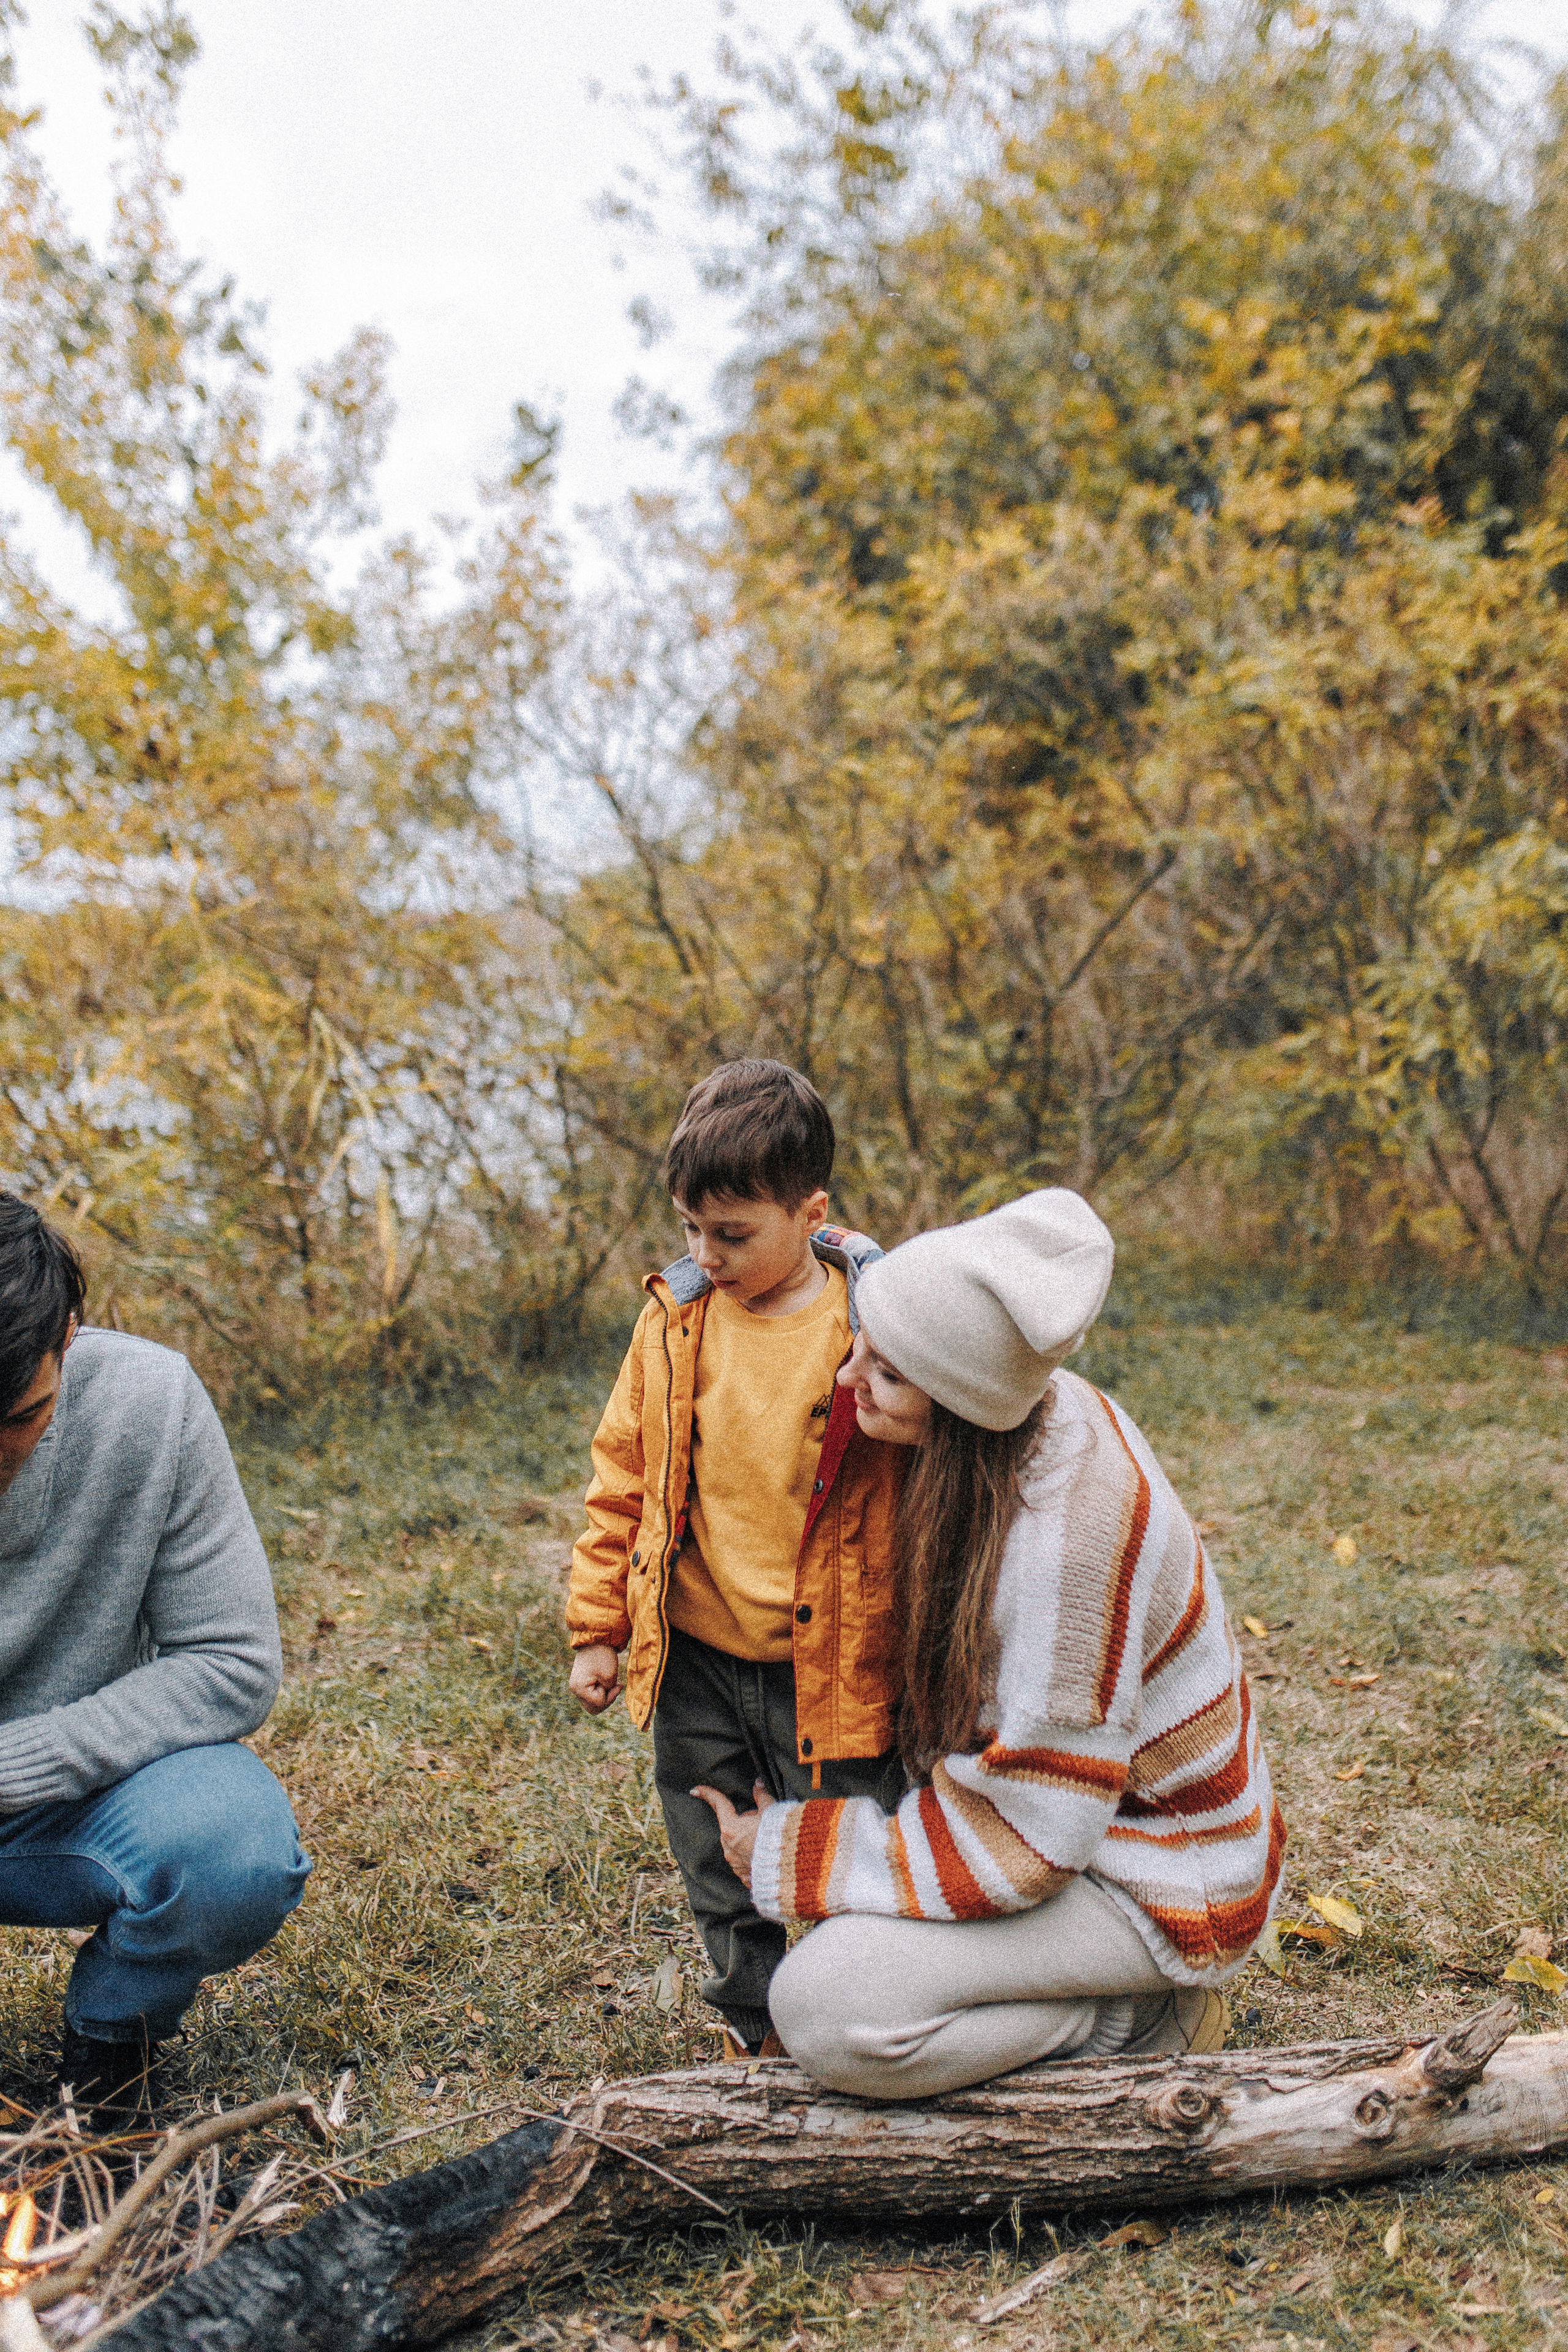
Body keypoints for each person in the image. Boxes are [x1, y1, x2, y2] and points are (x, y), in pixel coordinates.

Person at [695, 1188, 1286, 2100]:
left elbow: (1031, 1835)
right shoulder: (1025, 1416)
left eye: (887, 1373)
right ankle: (1080, 1997)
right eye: (863, 1345)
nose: (851, 1379)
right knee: (851, 1966)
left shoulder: (1068, 1544)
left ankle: (1128, 2019)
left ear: (960, 1402)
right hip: (1080, 1827)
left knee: (823, 2008)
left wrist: (794, 1855)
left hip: (1155, 1874)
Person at [566, 1061, 905, 2057]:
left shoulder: (870, 1323)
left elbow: (918, 1495)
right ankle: (753, 2031)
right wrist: (598, 1628)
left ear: (811, 1214)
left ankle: (860, 2010)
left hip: (834, 1659)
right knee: (716, 1852)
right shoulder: (676, 1323)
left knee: (849, 1847)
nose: (705, 1254)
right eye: (689, 1229)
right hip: (702, 1659)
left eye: (733, 1234)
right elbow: (621, 1476)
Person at [0, 1196, 309, 2115]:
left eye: (19, 1417)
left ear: (67, 1336)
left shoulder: (149, 1402)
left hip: (69, 1800)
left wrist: (17, 1764)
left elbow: (230, 1658)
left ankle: (106, 2054)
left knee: (234, 1848)